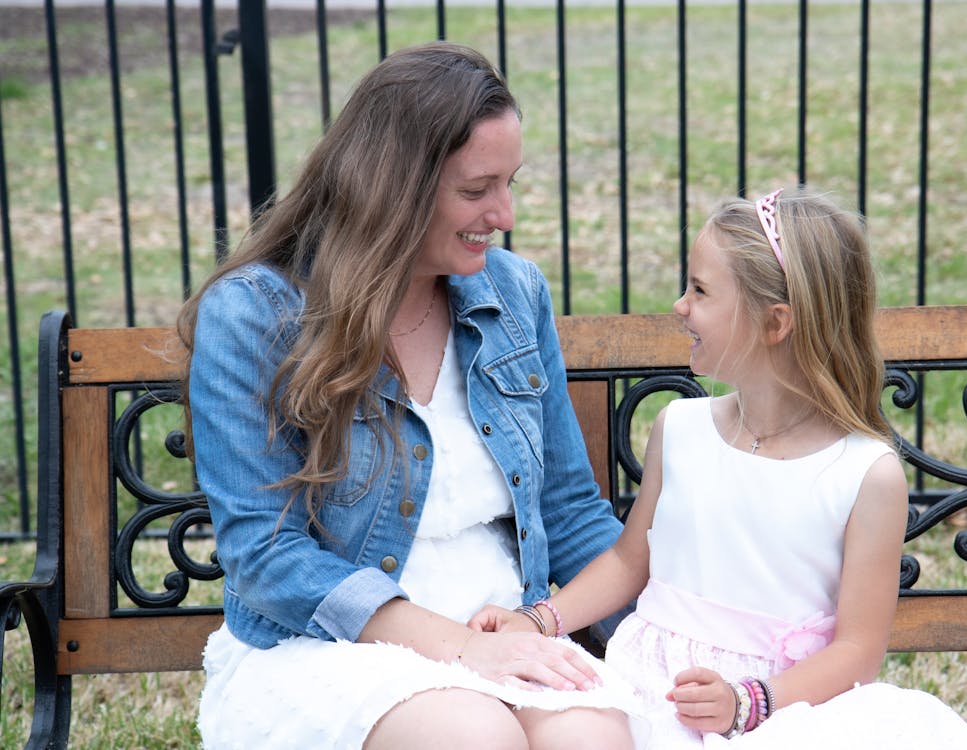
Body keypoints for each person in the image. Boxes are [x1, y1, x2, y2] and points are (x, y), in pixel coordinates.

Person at [177, 41, 638, 750]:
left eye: (509, 183)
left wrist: (658, 635)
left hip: (506, 628)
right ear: (392, 186)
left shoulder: (513, 294)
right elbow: (267, 553)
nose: (504, 213)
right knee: (472, 736)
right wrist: (457, 647)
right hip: (330, 644)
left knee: (591, 740)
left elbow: (569, 510)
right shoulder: (256, 315)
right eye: (476, 189)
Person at [471, 188, 967, 749]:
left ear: (774, 322)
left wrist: (749, 701)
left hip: (783, 708)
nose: (680, 305)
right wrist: (539, 622)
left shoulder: (864, 474)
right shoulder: (679, 428)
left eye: (701, 291)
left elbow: (858, 650)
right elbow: (628, 560)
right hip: (649, 692)